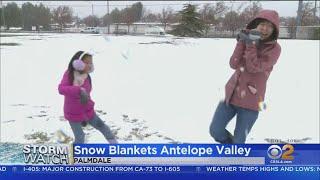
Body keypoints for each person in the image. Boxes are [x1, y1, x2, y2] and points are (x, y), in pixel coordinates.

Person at [209, 10, 282, 144]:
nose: (265, 28)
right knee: (215, 130)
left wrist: (251, 44)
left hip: (251, 101)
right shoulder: (248, 39)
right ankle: (229, 149)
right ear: (255, 25)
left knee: (239, 141)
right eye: (262, 24)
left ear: (274, 30)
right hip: (231, 94)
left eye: (269, 26)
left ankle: (234, 158)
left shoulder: (275, 49)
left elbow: (253, 67)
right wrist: (242, 41)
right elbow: (233, 63)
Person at [58, 51, 118, 144]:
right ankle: (74, 155)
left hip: (88, 111)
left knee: (104, 127)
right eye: (87, 62)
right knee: (80, 138)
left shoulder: (86, 76)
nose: (90, 65)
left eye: (91, 62)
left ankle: (116, 148)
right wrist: (78, 90)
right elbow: (61, 89)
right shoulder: (69, 74)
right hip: (73, 113)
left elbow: (87, 93)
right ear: (78, 63)